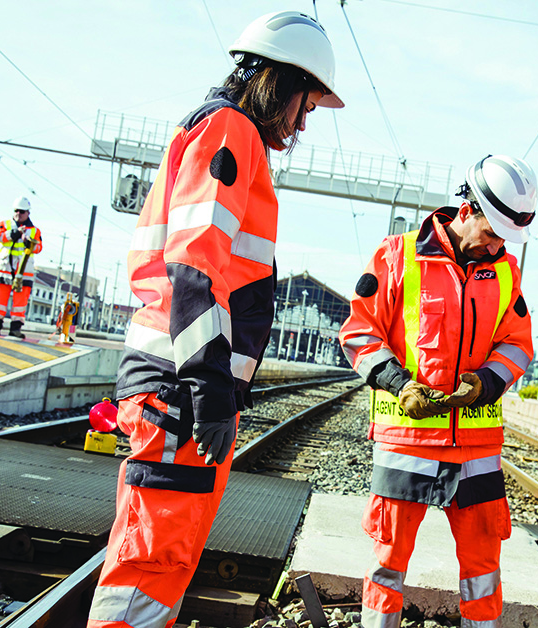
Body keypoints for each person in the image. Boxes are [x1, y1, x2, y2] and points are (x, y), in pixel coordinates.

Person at [87, 11, 343, 628]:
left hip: (176, 375)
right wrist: (209, 385)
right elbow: (195, 265)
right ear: (279, 81)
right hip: (179, 379)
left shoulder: (225, 132)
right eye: (306, 104)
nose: (305, 122)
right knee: (151, 559)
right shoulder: (230, 132)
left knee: (162, 554)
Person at [339, 154, 537, 628]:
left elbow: (518, 345)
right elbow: (360, 332)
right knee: (387, 561)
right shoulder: (397, 255)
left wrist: (487, 382)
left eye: (504, 240)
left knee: (484, 567)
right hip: (406, 442)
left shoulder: (505, 273)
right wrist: (397, 382)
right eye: (491, 234)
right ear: (466, 212)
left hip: (476, 447)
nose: (495, 247)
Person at [0, 196, 42, 338]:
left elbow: (38, 248)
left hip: (24, 271)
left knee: (20, 302)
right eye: (16, 211)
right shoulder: (4, 224)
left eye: (22, 211)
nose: (18, 214)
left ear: (28, 213)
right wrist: (16, 233)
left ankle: (16, 328)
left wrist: (28, 241)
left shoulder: (35, 231)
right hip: (4, 269)